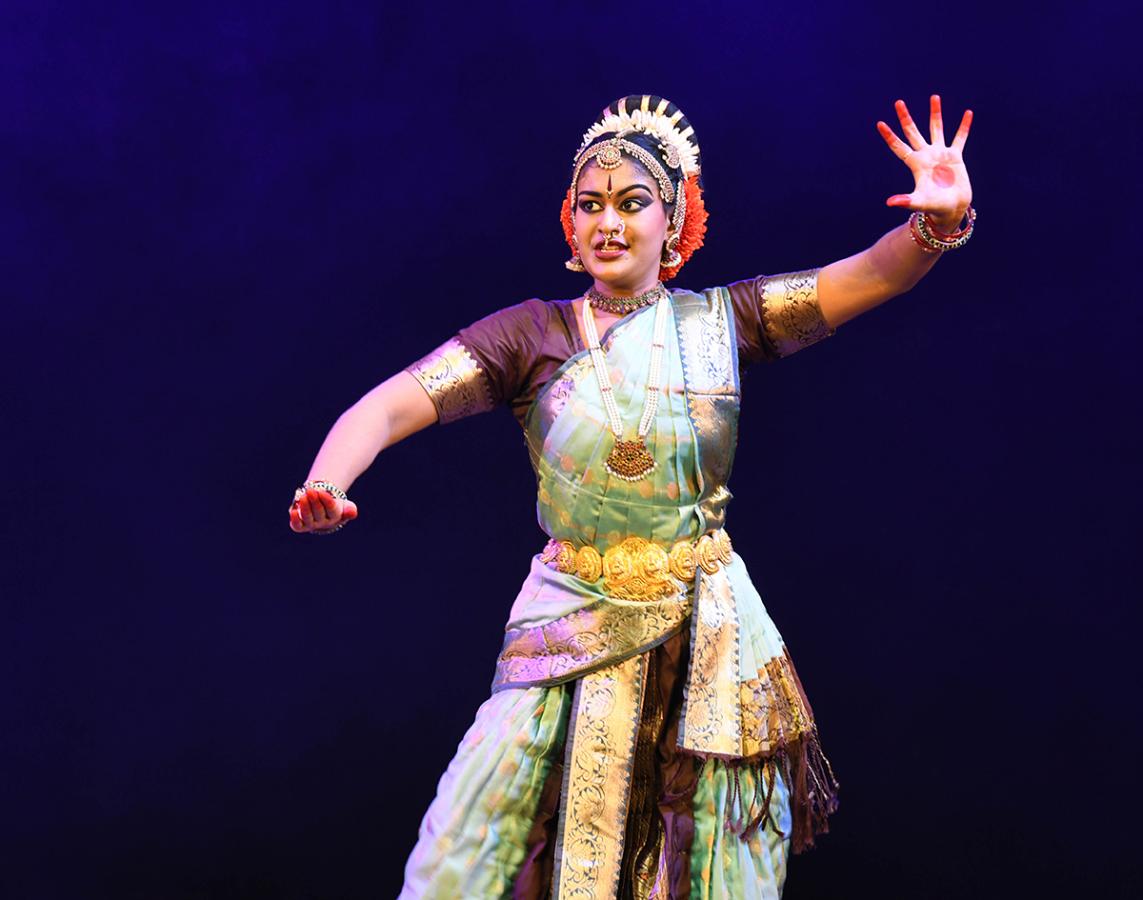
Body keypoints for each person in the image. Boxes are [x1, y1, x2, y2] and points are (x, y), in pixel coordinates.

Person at [288, 94, 974, 899]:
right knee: (464, 853)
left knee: (703, 859)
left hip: (704, 633)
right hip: (565, 626)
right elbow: (386, 406)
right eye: (590, 206)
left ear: (674, 219)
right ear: (569, 226)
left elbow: (865, 278)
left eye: (631, 202)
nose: (607, 222)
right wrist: (330, 479)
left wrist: (935, 224)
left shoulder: (723, 323)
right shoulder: (529, 335)